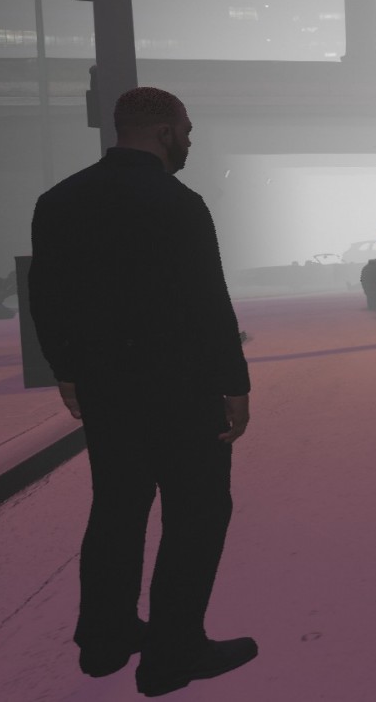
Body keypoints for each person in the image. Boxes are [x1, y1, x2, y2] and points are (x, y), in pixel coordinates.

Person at [27, 86, 258, 697]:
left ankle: (104, 641)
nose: (189, 140)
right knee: (196, 513)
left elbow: (45, 297)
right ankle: (172, 655)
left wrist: (67, 370)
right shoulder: (178, 203)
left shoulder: (59, 201)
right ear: (163, 132)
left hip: (106, 388)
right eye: (186, 129)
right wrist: (234, 384)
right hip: (182, 388)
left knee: (117, 508)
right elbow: (208, 302)